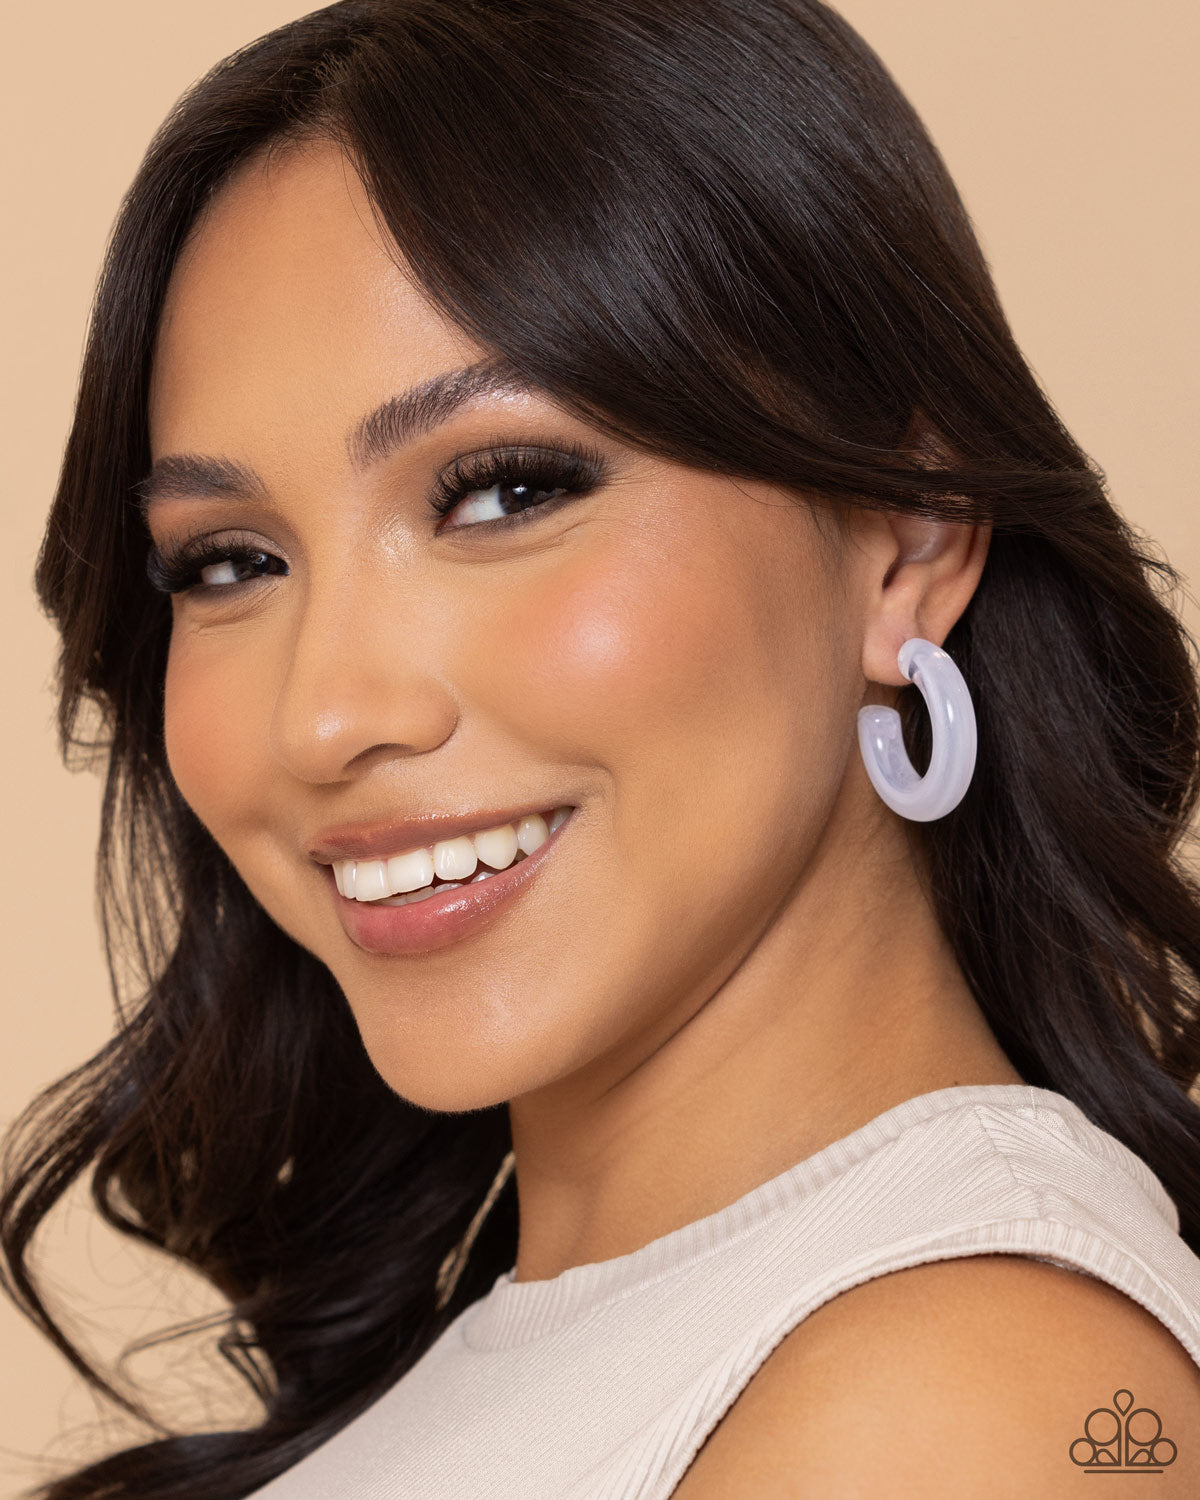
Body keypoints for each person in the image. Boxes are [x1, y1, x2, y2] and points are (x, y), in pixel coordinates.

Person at [4, 0, 1200, 1495]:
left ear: (908, 538)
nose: (324, 717)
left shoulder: (970, 1404)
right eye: (231, 561)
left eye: (504, 491)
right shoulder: (619, 1344)